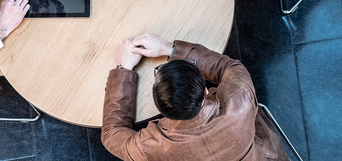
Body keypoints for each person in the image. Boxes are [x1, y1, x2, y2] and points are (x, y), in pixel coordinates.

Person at [102, 33, 289, 160]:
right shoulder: (240, 99)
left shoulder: (150, 146)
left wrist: (124, 69)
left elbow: (112, 134)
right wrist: (170, 48)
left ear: (159, 107)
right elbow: (229, 67)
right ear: (205, 91)